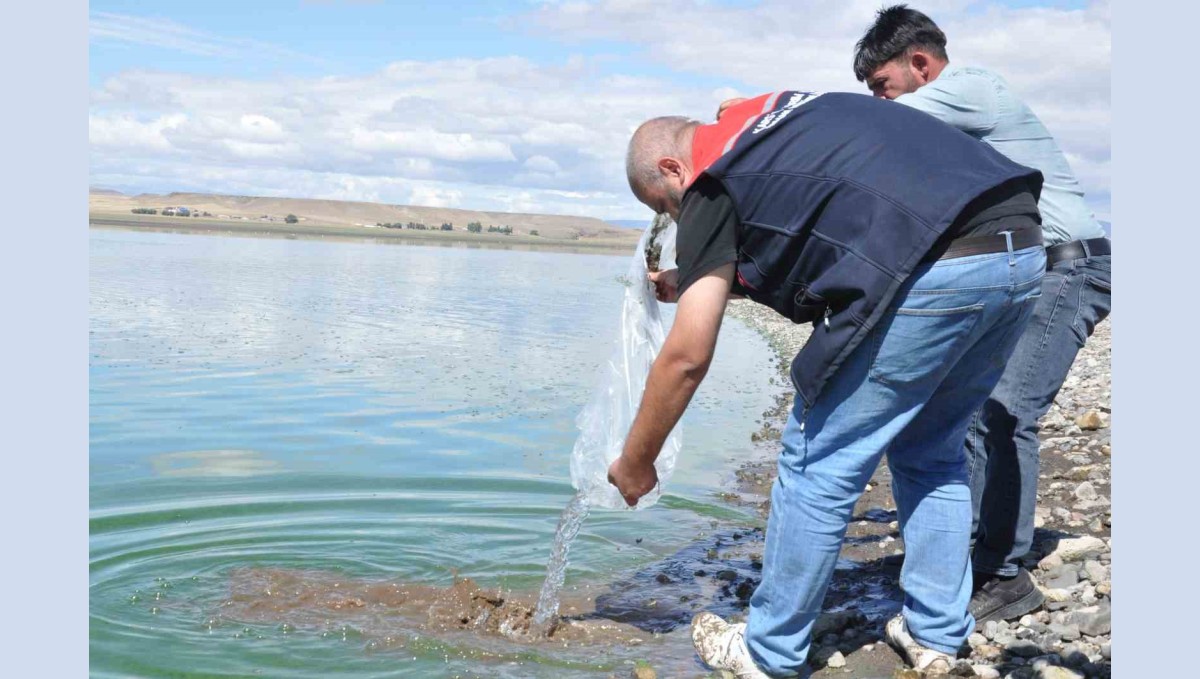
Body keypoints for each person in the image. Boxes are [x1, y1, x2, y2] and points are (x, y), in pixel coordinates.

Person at [608, 91, 1045, 677]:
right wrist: (699, 278)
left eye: (670, 207)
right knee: (932, 451)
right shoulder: (765, 123)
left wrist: (638, 459)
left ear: (673, 169)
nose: (678, 220)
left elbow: (686, 354)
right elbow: (820, 233)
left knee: (818, 460)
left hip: (934, 263)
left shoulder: (712, 181)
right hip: (1017, 245)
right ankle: (936, 635)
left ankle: (767, 653)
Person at [851, 4, 1112, 624]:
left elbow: (868, 128)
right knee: (967, 412)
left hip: (1068, 267)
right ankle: (956, 555)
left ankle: (1005, 572)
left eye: (884, 87)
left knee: (1006, 410)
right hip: (1021, 270)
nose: (883, 104)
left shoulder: (970, 88)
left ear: (919, 64)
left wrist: (774, 115)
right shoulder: (944, 135)